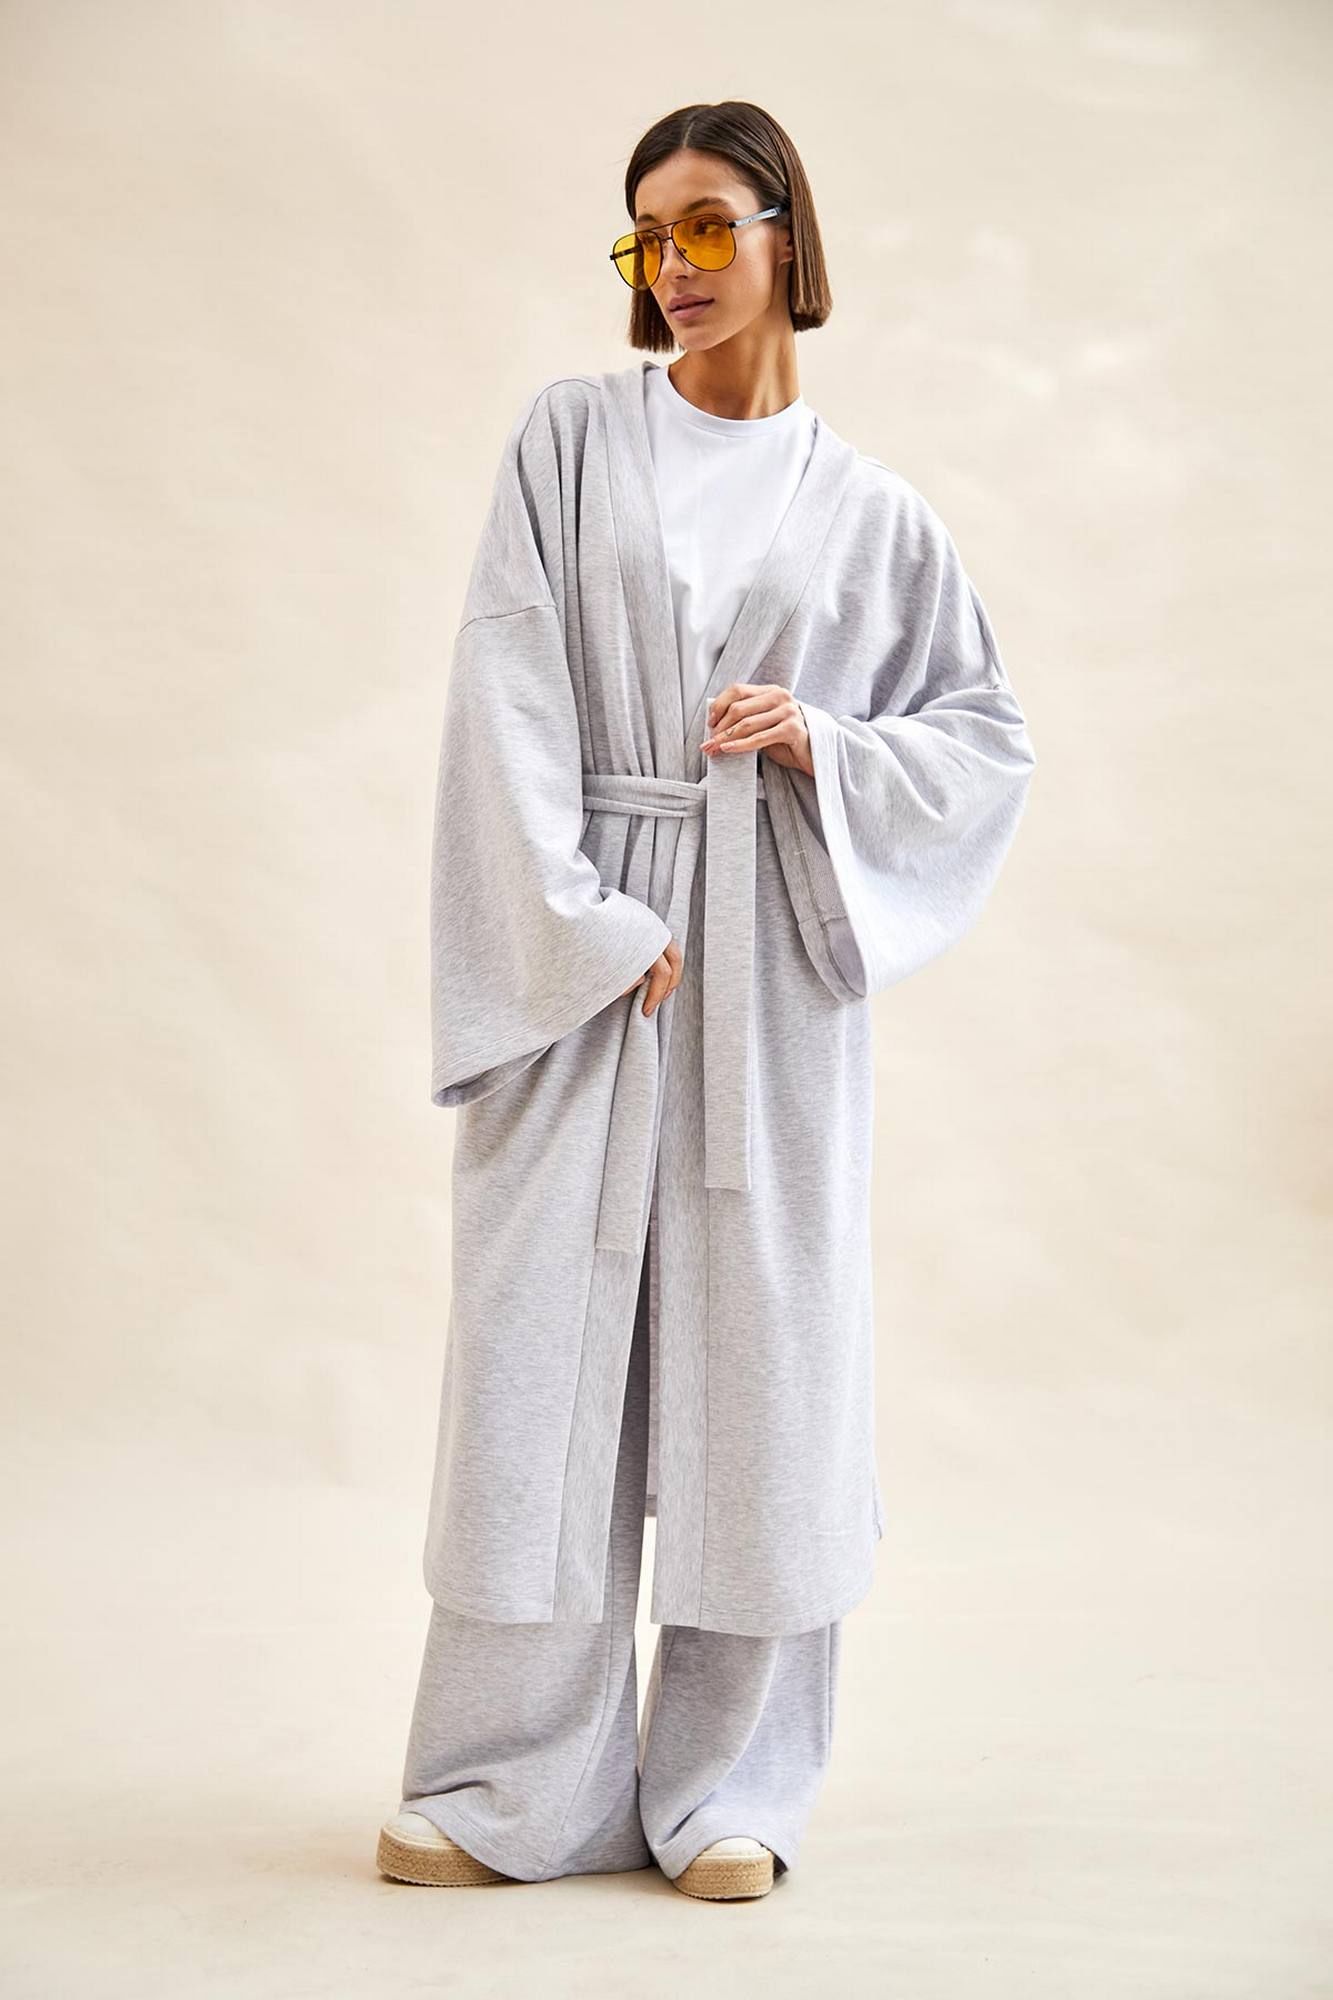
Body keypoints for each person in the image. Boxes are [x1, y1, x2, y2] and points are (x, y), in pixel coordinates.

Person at [376, 99, 1037, 1902]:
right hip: (584, 958)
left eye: (703, 227)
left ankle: (732, 1786)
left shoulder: (875, 515)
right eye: (643, 235)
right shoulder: (568, 443)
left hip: (768, 967)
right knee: (538, 1362)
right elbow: (505, 687)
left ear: (783, 238)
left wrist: (820, 738)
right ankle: (510, 1780)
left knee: (764, 1364)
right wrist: (583, 922)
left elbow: (983, 743)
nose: (670, 267)